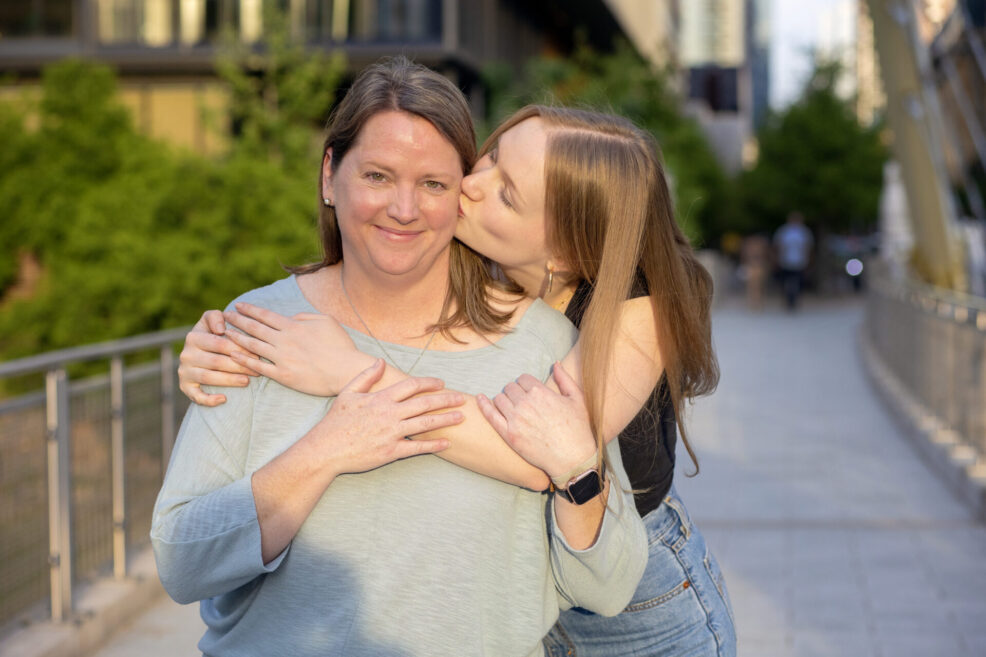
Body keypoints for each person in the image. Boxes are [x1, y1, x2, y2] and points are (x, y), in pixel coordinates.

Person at [180, 104, 737, 656]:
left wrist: (350, 370)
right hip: (526, 599)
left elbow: (543, 458)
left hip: (640, 614)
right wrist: (226, 339)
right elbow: (365, 269)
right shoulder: (477, 251)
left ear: (564, 249)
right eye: (491, 158)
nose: (471, 184)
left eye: (506, 193)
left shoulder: (638, 307)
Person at [773, 211, 814, 310]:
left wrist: (808, 259)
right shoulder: (783, 231)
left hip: (800, 261)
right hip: (785, 261)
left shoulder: (804, 232)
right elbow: (777, 245)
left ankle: (796, 300)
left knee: (800, 282)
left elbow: (808, 247)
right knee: (784, 281)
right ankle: (787, 300)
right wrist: (777, 258)